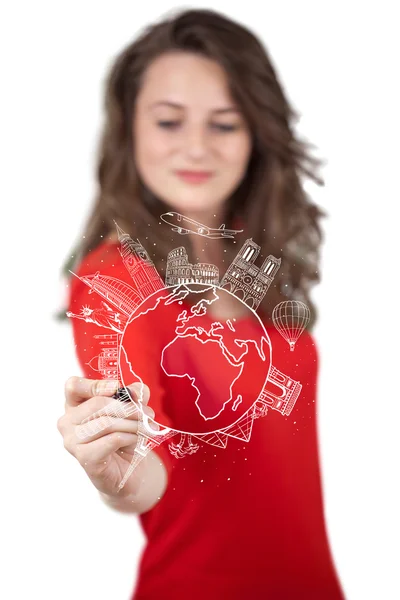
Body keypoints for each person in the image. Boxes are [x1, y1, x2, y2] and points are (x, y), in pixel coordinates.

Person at [56, 8, 346, 599]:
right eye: (169, 121)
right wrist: (117, 474)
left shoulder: (255, 256)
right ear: (130, 128)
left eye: (224, 124)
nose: (196, 148)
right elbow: (145, 462)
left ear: (256, 134)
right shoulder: (116, 279)